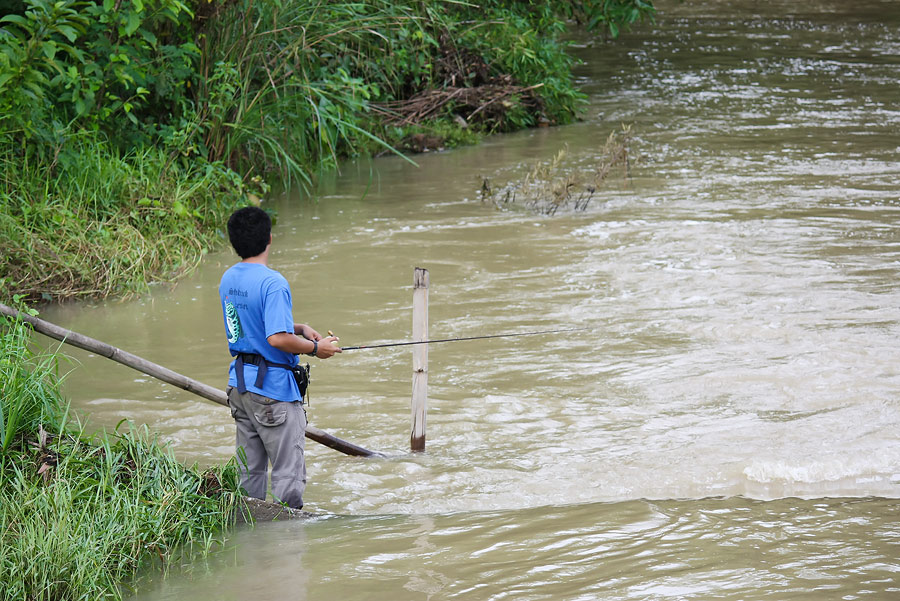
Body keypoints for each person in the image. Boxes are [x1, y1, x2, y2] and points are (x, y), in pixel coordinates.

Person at [219, 206, 341, 509]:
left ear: (234, 242)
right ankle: (284, 542)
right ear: (269, 238)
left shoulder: (229, 278)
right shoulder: (273, 282)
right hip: (273, 392)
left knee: (250, 475)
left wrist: (297, 327)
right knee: (288, 476)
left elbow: (249, 324)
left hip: (241, 386)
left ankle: (250, 535)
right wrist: (317, 348)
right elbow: (275, 339)